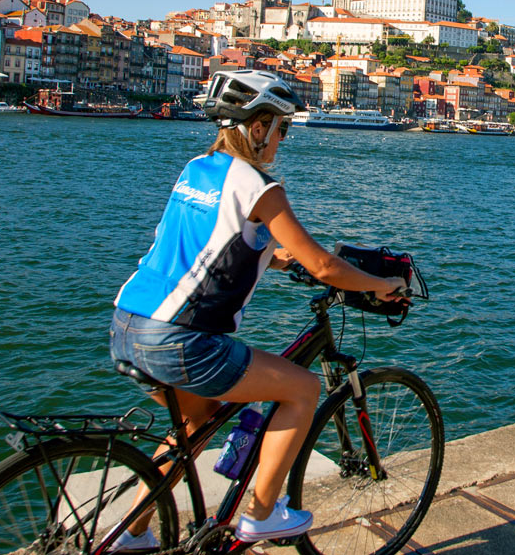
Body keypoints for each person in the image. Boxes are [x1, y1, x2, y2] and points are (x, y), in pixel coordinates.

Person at [109, 69, 407, 548]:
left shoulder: (196, 170)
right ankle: (261, 516)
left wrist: (276, 257)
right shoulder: (260, 187)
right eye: (281, 129)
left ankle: (132, 534)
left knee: (196, 423)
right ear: (257, 126)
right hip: (181, 340)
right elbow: (326, 267)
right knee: (304, 388)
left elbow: (215, 242)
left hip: (128, 323)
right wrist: (380, 283)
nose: (282, 140)